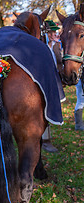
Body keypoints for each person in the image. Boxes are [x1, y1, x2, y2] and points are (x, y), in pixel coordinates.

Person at [42, 20, 65, 152]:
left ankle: (46, 138)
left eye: (54, 32)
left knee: (49, 108)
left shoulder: (56, 45)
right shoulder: (41, 46)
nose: (54, 34)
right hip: (44, 81)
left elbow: (60, 62)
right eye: (51, 32)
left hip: (54, 81)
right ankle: (45, 140)